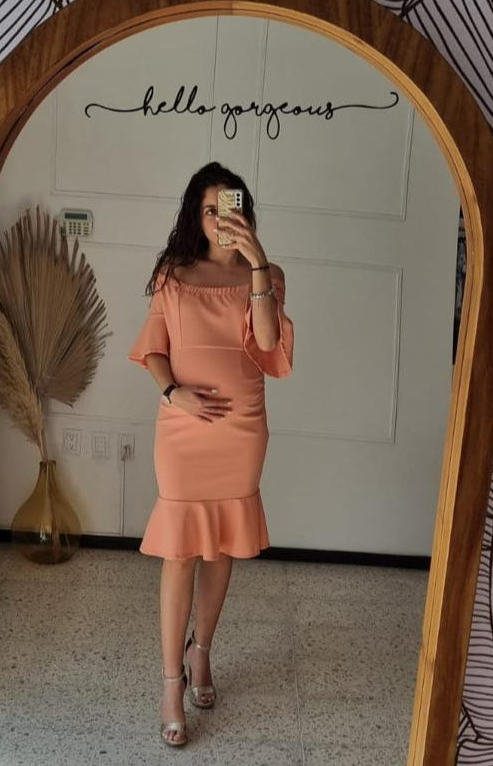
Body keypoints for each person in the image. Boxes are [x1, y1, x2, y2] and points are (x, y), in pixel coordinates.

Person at [128, 161, 294, 747]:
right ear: (194, 217)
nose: (220, 220)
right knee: (180, 554)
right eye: (209, 209)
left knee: (221, 546)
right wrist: (173, 394)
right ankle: (171, 683)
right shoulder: (171, 274)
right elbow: (153, 349)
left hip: (240, 429)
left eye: (230, 207)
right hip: (182, 430)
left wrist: (256, 262)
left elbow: (268, 342)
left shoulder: (266, 273)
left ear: (244, 212)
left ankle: (202, 652)